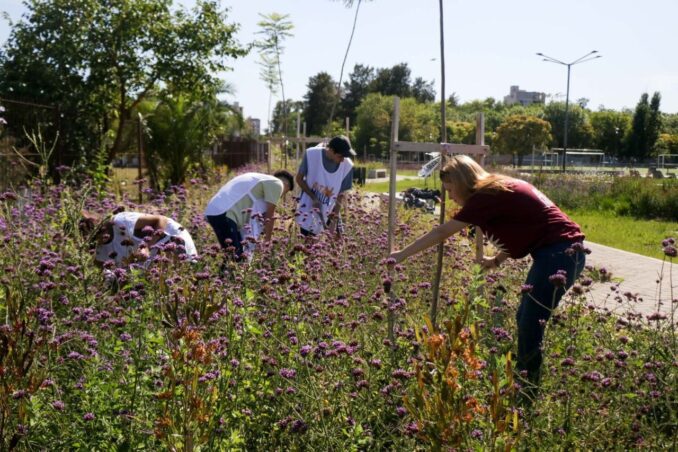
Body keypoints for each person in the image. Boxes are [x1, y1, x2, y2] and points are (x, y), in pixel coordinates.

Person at [389, 155, 586, 392]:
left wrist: (402, 254)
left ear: (462, 182)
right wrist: (497, 260)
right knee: (526, 316)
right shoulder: (498, 187)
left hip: (559, 254)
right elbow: (521, 222)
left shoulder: (484, 196)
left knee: (530, 321)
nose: (450, 197)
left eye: (451, 190)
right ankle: (526, 379)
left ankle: (528, 388)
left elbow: (442, 232)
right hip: (561, 252)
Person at [204, 170, 294, 260]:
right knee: (236, 258)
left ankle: (222, 274)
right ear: (286, 185)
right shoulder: (277, 183)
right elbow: (270, 216)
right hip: (225, 213)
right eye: (285, 193)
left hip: (216, 210)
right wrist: (267, 242)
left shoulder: (260, 180)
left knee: (233, 258)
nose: (282, 196)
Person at [80, 211, 198, 266]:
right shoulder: (98, 250)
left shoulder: (120, 221)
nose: (100, 239)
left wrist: (146, 246)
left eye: (100, 233)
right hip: (151, 259)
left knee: (173, 278)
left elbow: (160, 220)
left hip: (170, 237)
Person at [295, 135, 355, 236]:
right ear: (331, 150)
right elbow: (299, 179)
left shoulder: (347, 166)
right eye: (340, 156)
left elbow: (340, 195)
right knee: (308, 243)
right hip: (309, 208)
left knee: (335, 244)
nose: (342, 160)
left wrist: (333, 222)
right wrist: (313, 197)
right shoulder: (311, 155)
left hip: (331, 211)